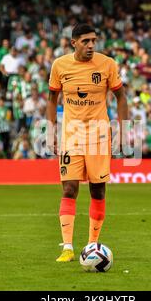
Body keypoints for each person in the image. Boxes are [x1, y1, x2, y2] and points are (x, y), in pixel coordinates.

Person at [46, 24, 128, 262]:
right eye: (86, 41)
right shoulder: (60, 66)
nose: (91, 45)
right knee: (69, 188)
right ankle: (68, 248)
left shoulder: (107, 64)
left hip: (99, 136)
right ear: (74, 43)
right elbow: (52, 99)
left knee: (97, 189)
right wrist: (50, 130)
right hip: (71, 135)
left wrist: (122, 130)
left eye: (94, 40)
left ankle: (92, 246)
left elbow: (121, 97)